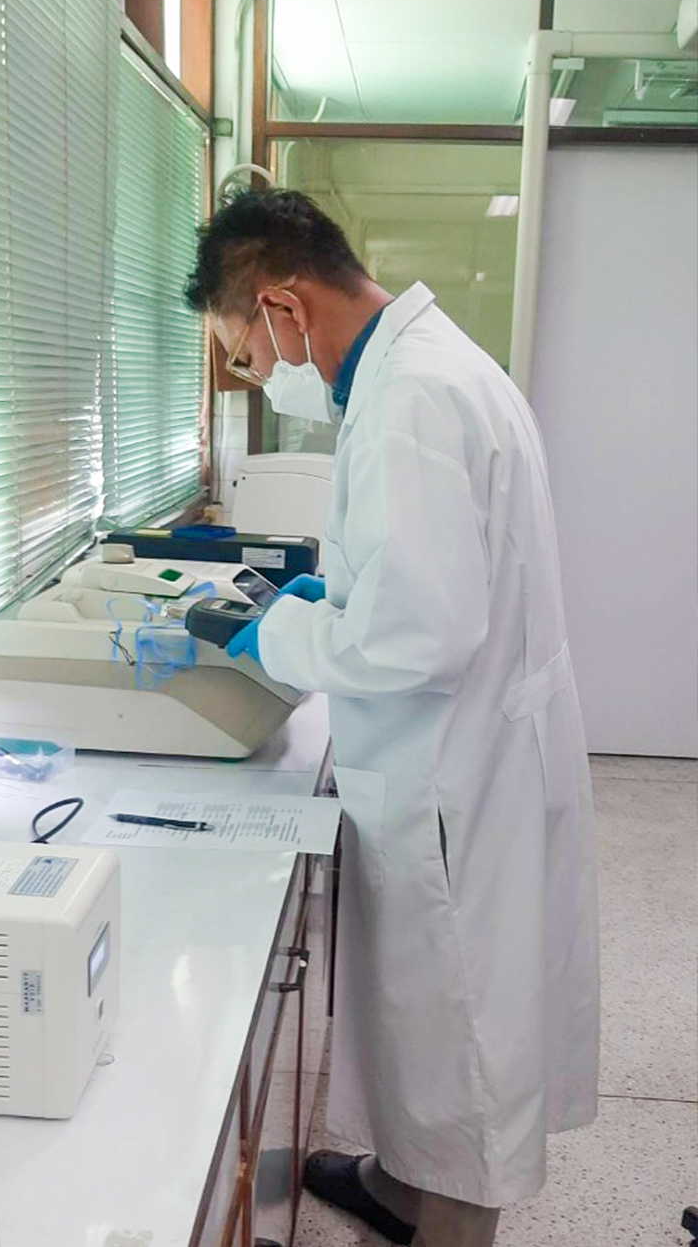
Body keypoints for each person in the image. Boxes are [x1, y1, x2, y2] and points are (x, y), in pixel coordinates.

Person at [187, 189, 597, 1247]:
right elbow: (427, 575)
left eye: (247, 354)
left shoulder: (409, 400)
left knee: (460, 1034)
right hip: (471, 750)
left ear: (284, 306)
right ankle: (397, 1183)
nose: (260, 375)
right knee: (432, 1021)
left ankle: (445, 1222)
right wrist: (334, 596)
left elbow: (420, 634)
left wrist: (276, 635)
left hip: (452, 772)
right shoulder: (426, 367)